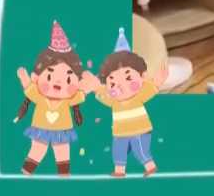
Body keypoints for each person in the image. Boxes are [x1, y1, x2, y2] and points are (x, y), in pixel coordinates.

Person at [81, 28, 166, 177]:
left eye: (128, 78)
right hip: (120, 132)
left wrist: (157, 82)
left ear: (142, 76)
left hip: (140, 130)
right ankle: (119, 171)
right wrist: (95, 87)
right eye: (113, 82)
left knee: (141, 151)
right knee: (118, 152)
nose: (120, 86)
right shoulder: (113, 100)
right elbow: (102, 93)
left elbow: (152, 88)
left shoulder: (140, 94)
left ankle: (150, 167)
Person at [15, 21, 87, 176]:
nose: (58, 83)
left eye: (68, 79)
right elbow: (29, 89)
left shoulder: (69, 99)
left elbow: (82, 94)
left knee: (63, 151)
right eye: (49, 76)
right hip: (40, 128)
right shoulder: (40, 96)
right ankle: (26, 172)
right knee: (37, 150)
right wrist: (24, 79)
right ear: (36, 77)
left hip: (62, 130)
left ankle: (64, 175)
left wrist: (89, 85)